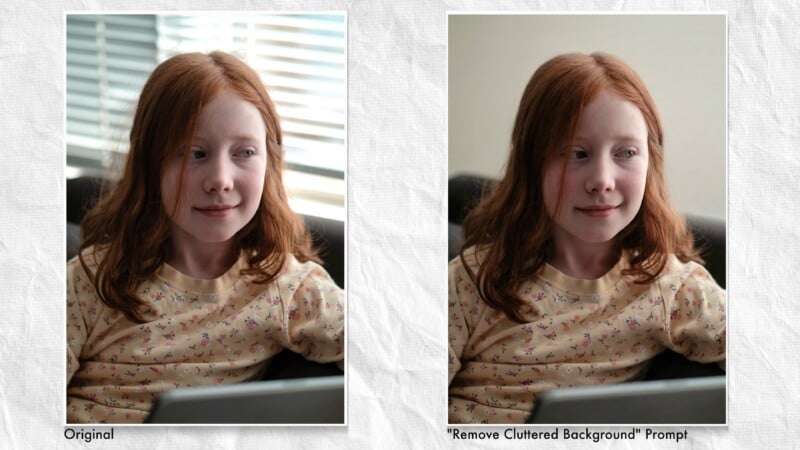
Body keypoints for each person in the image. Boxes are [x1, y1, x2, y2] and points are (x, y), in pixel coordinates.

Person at [66, 51, 345, 424]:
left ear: (269, 163)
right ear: (152, 164)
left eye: (244, 152)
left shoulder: (289, 288)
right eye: (195, 154)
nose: (221, 180)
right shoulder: (89, 281)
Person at [448, 52, 726, 424]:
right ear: (532, 164)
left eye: (626, 153)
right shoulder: (471, 281)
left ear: (650, 163)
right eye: (577, 153)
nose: (602, 180)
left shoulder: (670, 288)